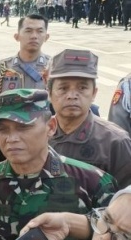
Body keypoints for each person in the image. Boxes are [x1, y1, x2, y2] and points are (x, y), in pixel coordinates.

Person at [0, 88, 117, 240]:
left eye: (23, 127)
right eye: (2, 130)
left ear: (50, 127)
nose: (11, 138)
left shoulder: (94, 182)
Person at [48, 49, 131, 187]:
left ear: (94, 93)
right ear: (49, 93)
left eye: (82, 88)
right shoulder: (37, 135)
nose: (72, 95)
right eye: (63, 88)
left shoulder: (116, 142)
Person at [0, 14, 50, 166]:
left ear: (46, 36)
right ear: (17, 36)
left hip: (41, 144)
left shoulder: (53, 69)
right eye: (28, 31)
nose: (34, 36)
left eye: (40, 31)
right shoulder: (3, 69)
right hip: (9, 143)